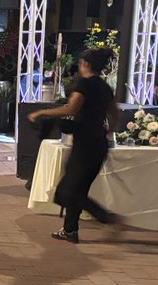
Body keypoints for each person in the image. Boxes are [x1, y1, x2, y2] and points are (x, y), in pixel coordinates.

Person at [28, 47, 121, 243]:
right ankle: (70, 230)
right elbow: (115, 113)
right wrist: (107, 131)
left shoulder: (85, 85)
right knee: (78, 188)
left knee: (66, 192)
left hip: (85, 143)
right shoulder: (104, 87)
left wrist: (42, 113)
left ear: (85, 64)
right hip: (97, 142)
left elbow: (70, 108)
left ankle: (106, 216)